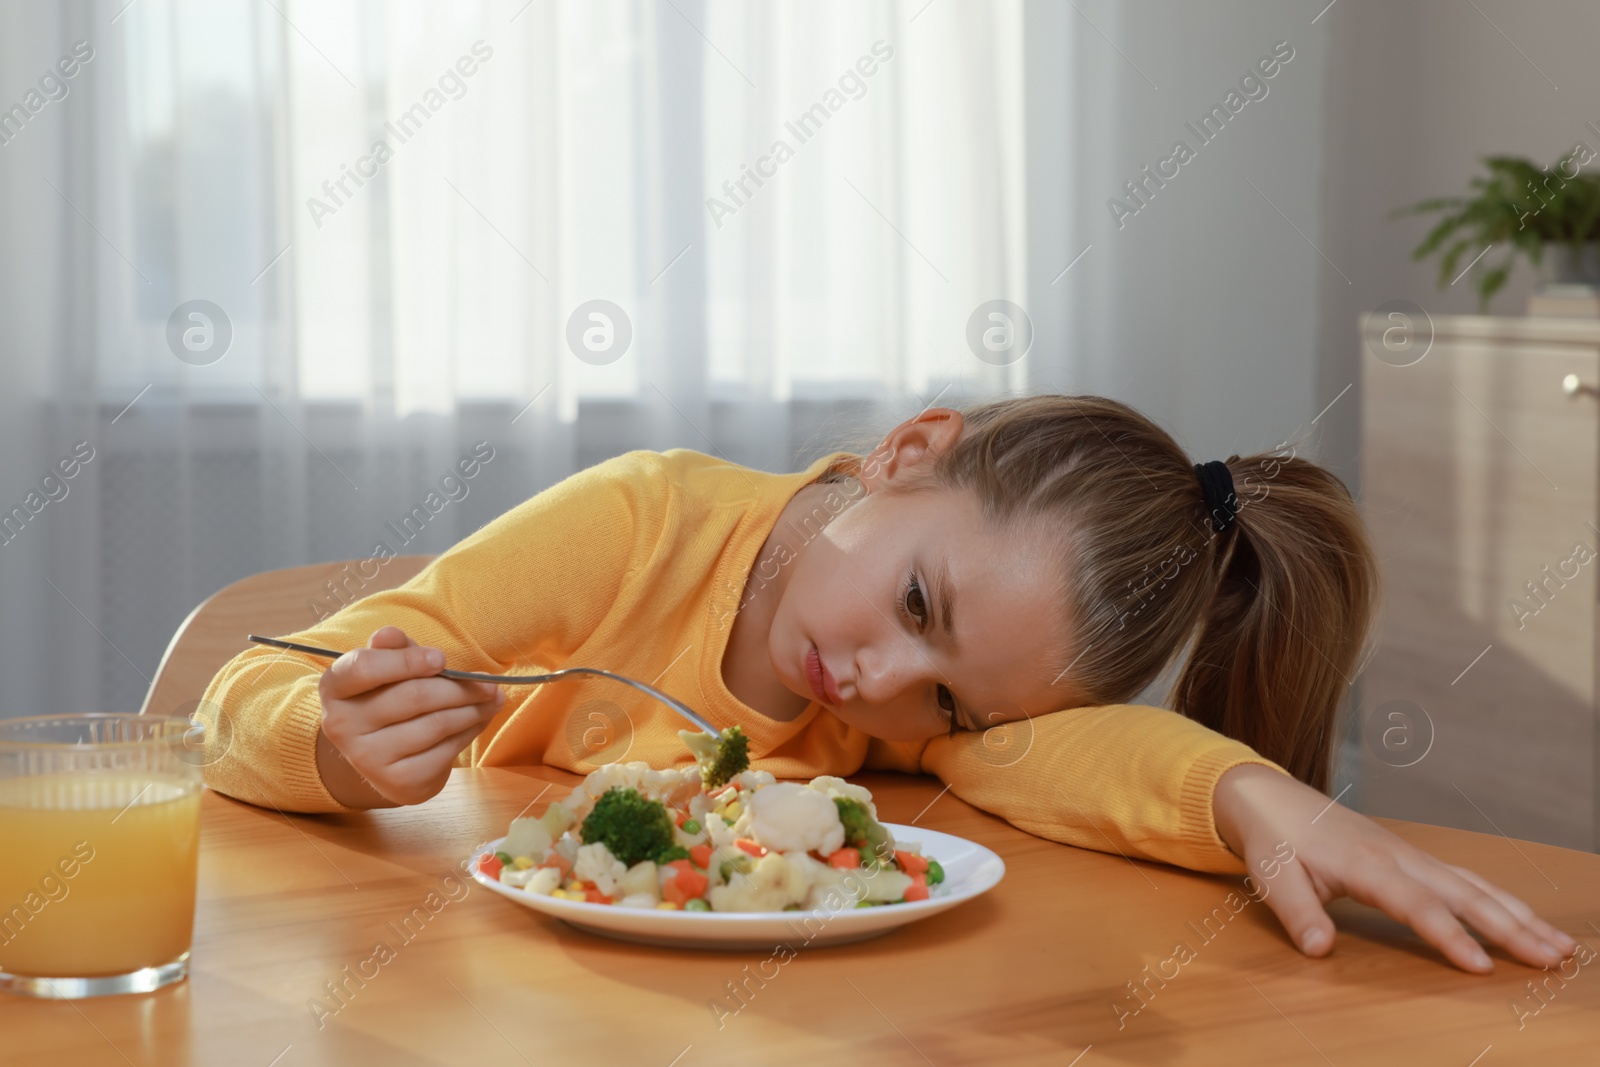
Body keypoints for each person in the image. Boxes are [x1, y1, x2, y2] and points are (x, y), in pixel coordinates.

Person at [201, 393, 1577, 974]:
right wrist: (326, 747)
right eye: (919, 602)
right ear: (912, 449)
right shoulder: (639, 525)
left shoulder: (898, 726)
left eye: (952, 707)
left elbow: (1079, 759)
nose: (879, 684)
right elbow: (249, 692)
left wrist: (1256, 798)